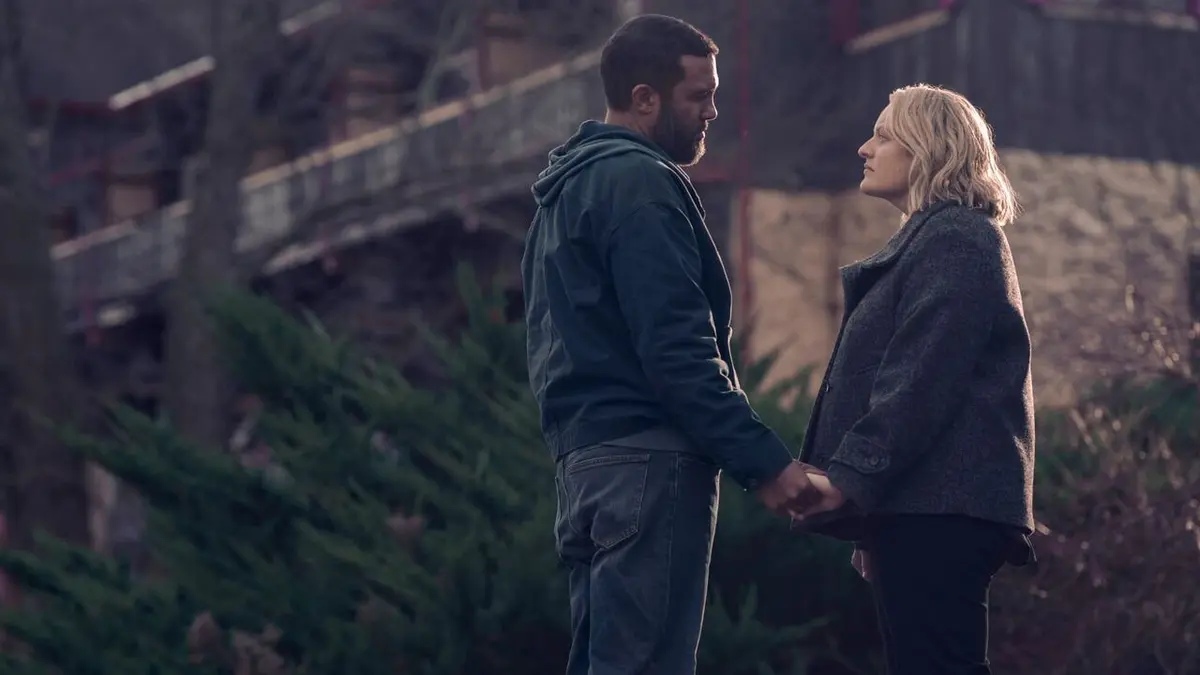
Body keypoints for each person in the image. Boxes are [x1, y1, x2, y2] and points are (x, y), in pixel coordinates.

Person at [521, 13, 823, 675]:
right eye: (698, 96)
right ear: (644, 98)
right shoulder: (641, 183)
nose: (713, 111)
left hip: (587, 469)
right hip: (648, 466)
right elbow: (678, 352)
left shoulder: (563, 194)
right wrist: (765, 464)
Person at [794, 84, 1038, 675]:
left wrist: (849, 481)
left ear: (928, 148)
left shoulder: (957, 237)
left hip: (943, 511)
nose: (864, 148)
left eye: (882, 136)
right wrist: (871, 518)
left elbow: (919, 379)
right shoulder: (937, 238)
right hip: (923, 508)